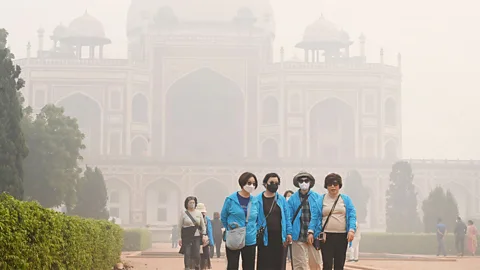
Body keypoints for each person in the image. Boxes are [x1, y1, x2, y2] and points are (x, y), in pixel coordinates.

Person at [316, 173, 356, 270]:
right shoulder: (321, 199)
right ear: (326, 186)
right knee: (327, 264)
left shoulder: (346, 199)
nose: (333, 186)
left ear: (339, 185)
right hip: (326, 236)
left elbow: (352, 215)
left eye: (335, 184)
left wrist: (351, 230)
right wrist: (312, 232)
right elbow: (315, 217)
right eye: (330, 184)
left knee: (339, 264)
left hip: (342, 236)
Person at [221, 172, 259, 270]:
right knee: (232, 266)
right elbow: (223, 217)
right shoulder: (231, 200)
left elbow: (258, 219)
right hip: (234, 237)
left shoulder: (255, 201)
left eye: (254, 184)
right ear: (242, 182)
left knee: (249, 266)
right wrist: (231, 228)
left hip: (250, 238)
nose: (251, 186)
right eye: (249, 183)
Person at [256, 173, 292, 270]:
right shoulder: (258, 200)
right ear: (265, 183)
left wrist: (289, 233)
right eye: (271, 182)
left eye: (276, 183)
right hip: (265, 237)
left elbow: (287, 217)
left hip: (280, 237)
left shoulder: (281, 199)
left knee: (278, 264)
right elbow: (253, 218)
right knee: (264, 263)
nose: (274, 185)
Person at [287, 171, 322, 270]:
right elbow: (288, 218)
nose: (303, 183)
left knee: (316, 264)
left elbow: (319, 217)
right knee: (299, 266)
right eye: (301, 181)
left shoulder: (317, 197)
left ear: (310, 182)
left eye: (306, 180)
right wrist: (289, 232)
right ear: (297, 183)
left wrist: (315, 231)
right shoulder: (292, 199)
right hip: (298, 235)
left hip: (313, 235)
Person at [178, 196, 208, 270]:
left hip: (196, 236)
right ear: (187, 204)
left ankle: (197, 266)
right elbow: (180, 227)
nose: (192, 204)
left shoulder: (198, 213)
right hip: (187, 236)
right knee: (187, 253)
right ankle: (187, 267)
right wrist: (180, 238)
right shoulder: (184, 214)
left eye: (193, 202)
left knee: (197, 254)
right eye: (190, 203)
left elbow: (203, 226)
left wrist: (204, 235)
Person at [196, 203, 213, 269]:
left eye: (202, 212)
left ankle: (203, 267)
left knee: (205, 255)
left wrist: (210, 242)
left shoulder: (207, 219)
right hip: (196, 239)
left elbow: (209, 230)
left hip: (205, 240)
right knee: (196, 256)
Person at [283, 189, 294, 263]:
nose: (289, 198)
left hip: (294, 232)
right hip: (285, 232)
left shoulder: (295, 206)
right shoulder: (283, 207)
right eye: (288, 196)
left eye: (291, 196)